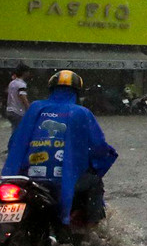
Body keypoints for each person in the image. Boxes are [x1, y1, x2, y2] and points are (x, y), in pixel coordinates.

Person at [2, 70, 117, 228]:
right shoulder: (81, 113)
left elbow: (15, 142)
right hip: (62, 183)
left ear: (51, 89)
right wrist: (106, 155)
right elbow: (98, 147)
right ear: (77, 92)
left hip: (27, 180)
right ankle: (90, 230)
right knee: (94, 183)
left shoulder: (35, 108)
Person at [6, 64, 30, 132]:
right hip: (18, 111)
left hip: (9, 110)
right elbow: (22, 97)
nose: (29, 73)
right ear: (24, 72)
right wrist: (29, 108)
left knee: (14, 129)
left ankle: (12, 141)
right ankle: (15, 142)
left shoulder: (12, 83)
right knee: (19, 131)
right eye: (28, 71)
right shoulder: (21, 84)